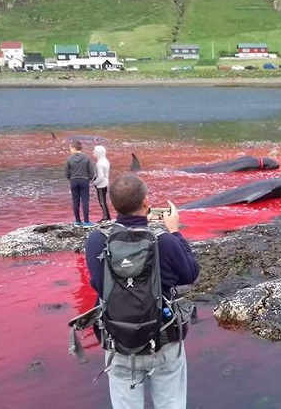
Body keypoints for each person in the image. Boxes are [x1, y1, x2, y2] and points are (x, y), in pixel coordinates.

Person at [84, 173, 199, 409]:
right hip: (163, 338)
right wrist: (175, 231)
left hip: (118, 341)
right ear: (146, 203)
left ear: (113, 205)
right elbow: (190, 274)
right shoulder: (165, 241)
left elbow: (98, 284)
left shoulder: (97, 240)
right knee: (171, 404)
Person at [65, 140, 96, 227]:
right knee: (85, 201)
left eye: (70, 148)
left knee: (75, 201)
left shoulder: (69, 159)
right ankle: (86, 221)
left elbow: (66, 172)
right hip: (84, 181)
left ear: (74, 148)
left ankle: (78, 221)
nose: (70, 150)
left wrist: (70, 178)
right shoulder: (87, 158)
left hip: (74, 181)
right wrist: (89, 178)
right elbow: (91, 172)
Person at [93, 145, 112, 222]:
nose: (93, 154)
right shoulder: (106, 161)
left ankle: (105, 217)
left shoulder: (99, 163)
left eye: (94, 152)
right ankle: (108, 216)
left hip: (101, 184)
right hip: (106, 182)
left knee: (102, 202)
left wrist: (95, 182)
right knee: (104, 201)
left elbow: (100, 176)